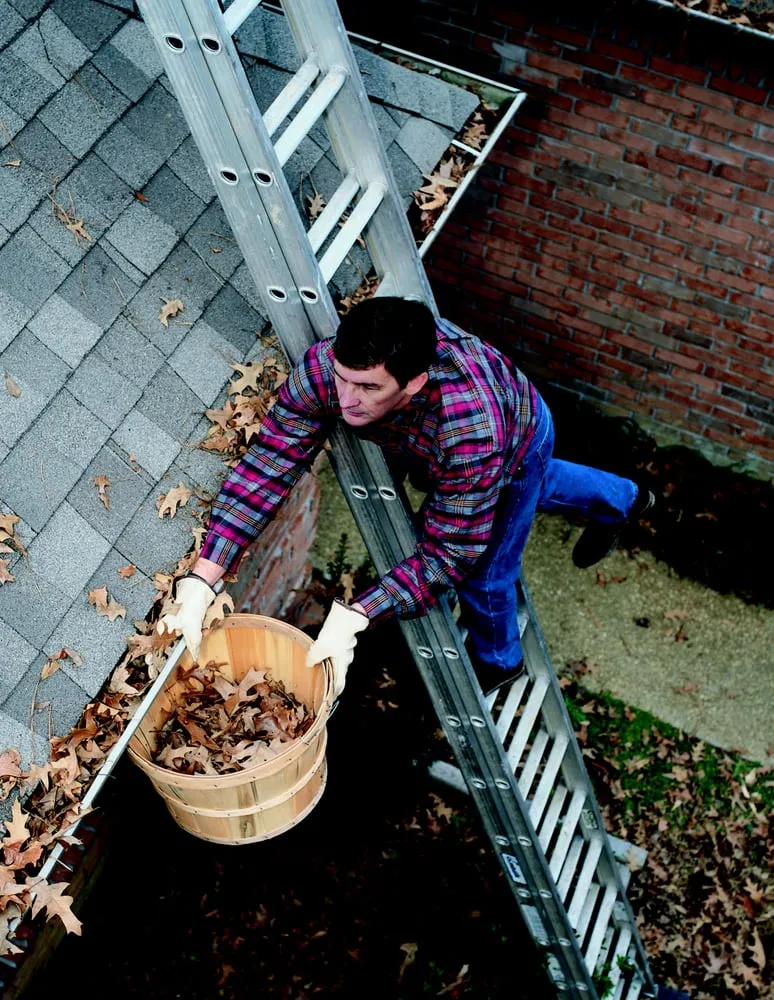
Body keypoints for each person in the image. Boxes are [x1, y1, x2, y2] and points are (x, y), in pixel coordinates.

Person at [161, 298, 653, 699]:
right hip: (468, 450)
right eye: (342, 378)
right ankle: (626, 500)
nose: (347, 399)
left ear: (415, 382)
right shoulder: (328, 370)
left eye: (368, 387)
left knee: (488, 568)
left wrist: (358, 615)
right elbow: (271, 462)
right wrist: (205, 575)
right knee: (532, 489)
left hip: (518, 440)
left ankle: (501, 661)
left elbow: (450, 554)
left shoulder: (471, 435)